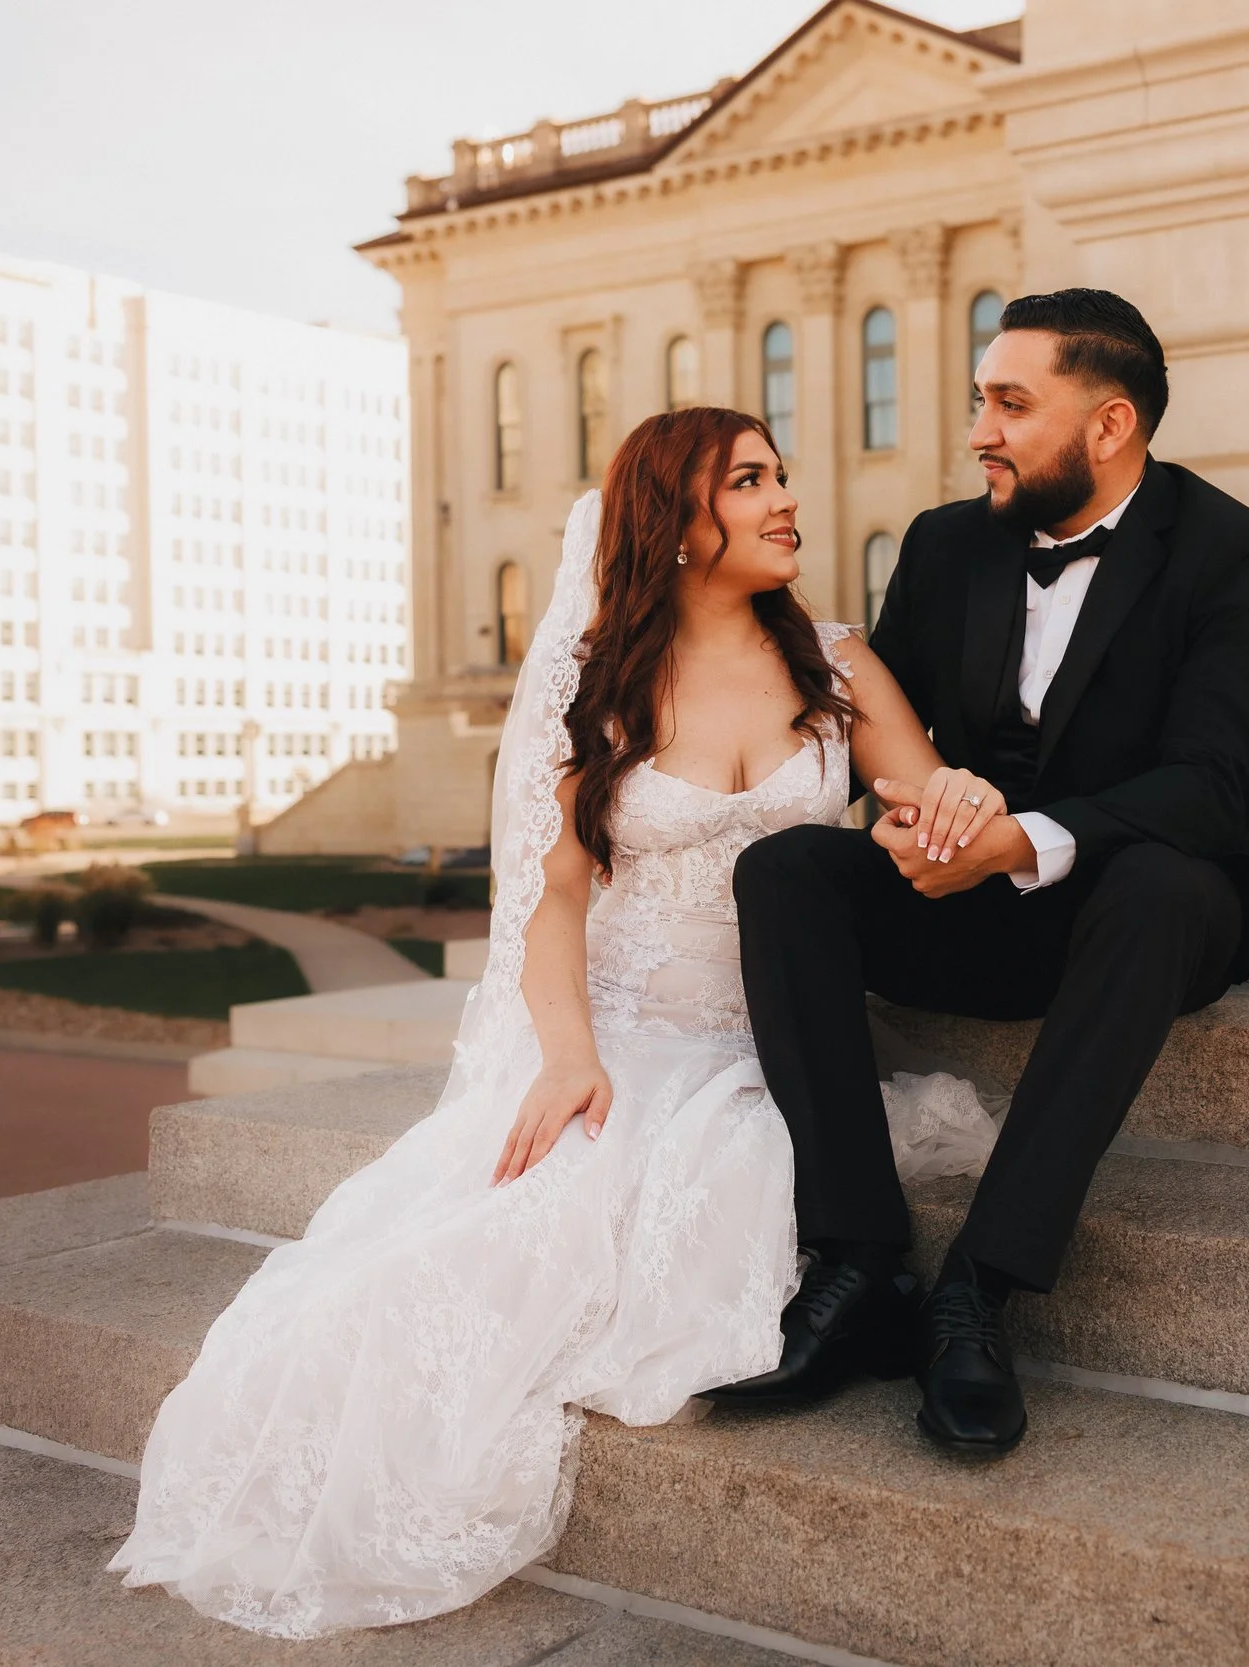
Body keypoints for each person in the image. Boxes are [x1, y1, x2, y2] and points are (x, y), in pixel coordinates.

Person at [109, 408, 1007, 1639]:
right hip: (634, 1019)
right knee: (478, 1249)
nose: (786, 498)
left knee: (698, 1193)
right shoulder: (603, 684)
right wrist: (571, 1053)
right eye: (750, 481)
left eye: (781, 475)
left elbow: (921, 801)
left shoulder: (839, 662)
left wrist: (948, 804)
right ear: (676, 524)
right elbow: (553, 894)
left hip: (783, 1028)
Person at [715, 289, 1249, 1454]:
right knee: (786, 871)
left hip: (1128, 916)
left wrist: (1027, 839)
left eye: (1009, 403)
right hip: (966, 902)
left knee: (1172, 880)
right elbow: (885, 735)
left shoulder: (1232, 550)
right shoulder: (945, 543)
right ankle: (859, 1259)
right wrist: (899, 822)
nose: (977, 428)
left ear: (1109, 424)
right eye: (980, 398)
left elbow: (1214, 782)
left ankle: (977, 1287)